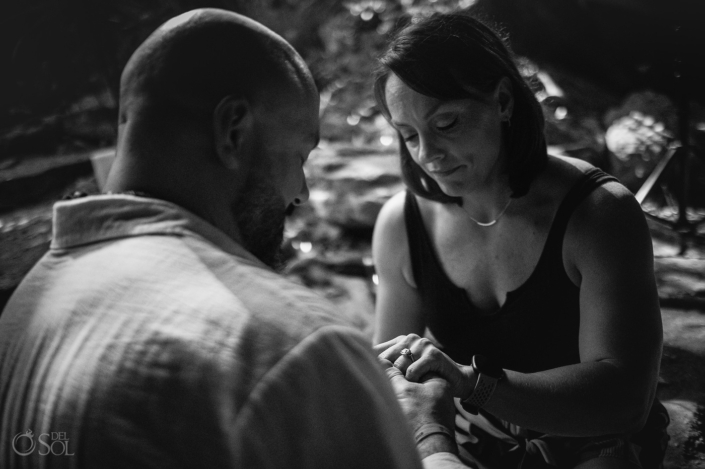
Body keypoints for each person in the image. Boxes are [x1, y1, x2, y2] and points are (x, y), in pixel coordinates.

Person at [0, 9, 469, 468]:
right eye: (301, 155)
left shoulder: (22, 313)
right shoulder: (293, 351)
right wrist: (426, 434)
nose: (302, 193)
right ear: (234, 130)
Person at [372, 12, 670, 469]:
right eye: (408, 135)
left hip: (595, 441)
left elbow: (625, 400)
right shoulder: (402, 224)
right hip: (469, 446)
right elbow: (392, 384)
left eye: (446, 123)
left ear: (504, 100)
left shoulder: (597, 214)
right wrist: (436, 446)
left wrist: (471, 383)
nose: (427, 155)